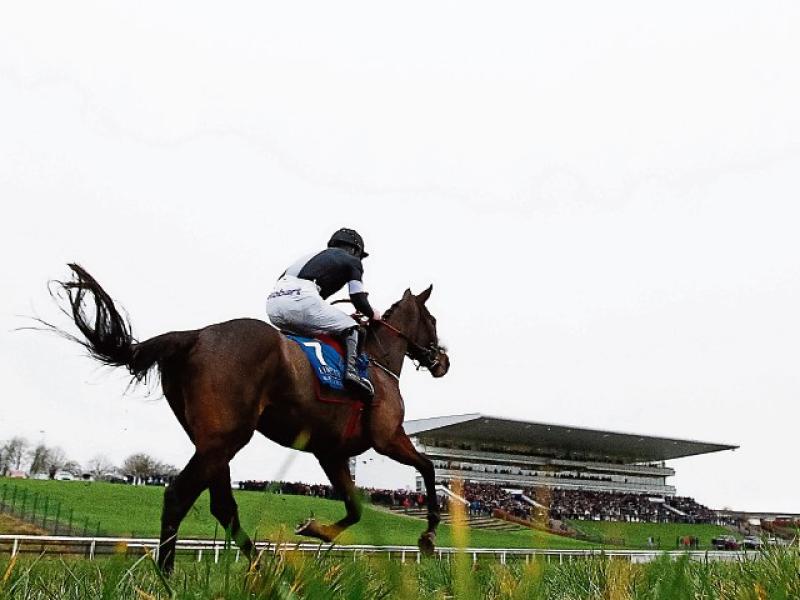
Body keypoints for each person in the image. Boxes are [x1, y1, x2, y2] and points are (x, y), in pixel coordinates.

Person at [266, 228, 381, 397]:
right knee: (353, 328)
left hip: (273, 305)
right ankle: (352, 374)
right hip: (302, 299)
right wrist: (372, 314)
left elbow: (315, 304)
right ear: (355, 250)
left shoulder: (311, 258)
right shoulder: (353, 261)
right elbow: (357, 297)